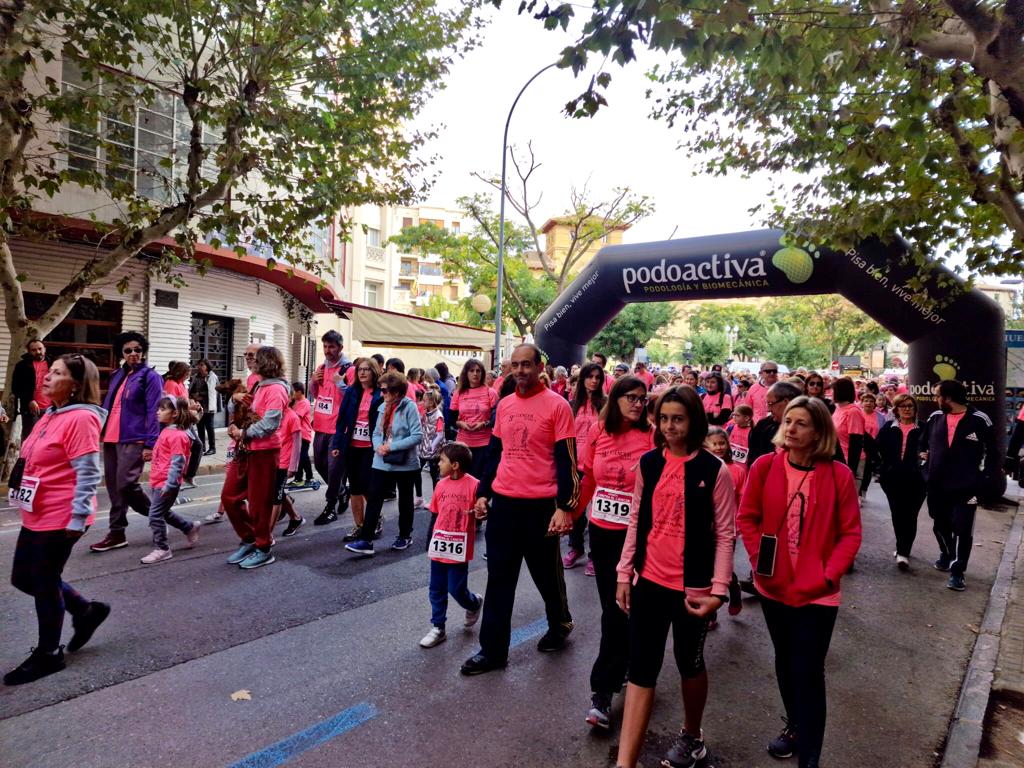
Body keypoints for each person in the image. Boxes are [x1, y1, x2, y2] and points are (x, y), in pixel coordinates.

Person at [613, 386, 736, 768]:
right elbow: (636, 520)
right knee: (641, 669)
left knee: (690, 663)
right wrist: (624, 572)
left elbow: (725, 534)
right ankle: (624, 763)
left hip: (693, 590)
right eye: (663, 418)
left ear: (694, 420)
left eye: (678, 419)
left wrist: (719, 591)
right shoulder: (649, 464)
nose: (669, 426)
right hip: (648, 582)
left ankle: (692, 734)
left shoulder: (715, 470)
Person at [737, 396, 861, 768]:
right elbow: (748, 518)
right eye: (787, 421)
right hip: (773, 587)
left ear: (819, 431)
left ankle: (810, 753)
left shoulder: (839, 475)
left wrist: (827, 574)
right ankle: (794, 723)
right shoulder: (763, 466)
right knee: (785, 660)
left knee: (809, 668)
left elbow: (850, 534)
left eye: (801, 423)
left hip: (818, 594)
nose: (790, 428)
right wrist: (760, 561)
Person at [461, 343, 579, 676]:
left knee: (547, 577)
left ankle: (560, 624)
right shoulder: (505, 405)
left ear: (540, 366)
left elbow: (567, 462)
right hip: (506, 506)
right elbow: (494, 454)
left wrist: (565, 507)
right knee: (499, 579)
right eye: (515, 365)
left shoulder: (559, 406)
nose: (520, 371)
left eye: (526, 364)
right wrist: (483, 493)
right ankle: (493, 651)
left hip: (542, 507)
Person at [5, 354, 110, 685]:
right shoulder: (52, 413)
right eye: (49, 371)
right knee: (24, 578)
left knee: (44, 581)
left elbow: (89, 471)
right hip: (37, 511)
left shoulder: (80, 418)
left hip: (62, 515)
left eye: (57, 373)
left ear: (76, 385)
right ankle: (86, 610)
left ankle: (49, 654)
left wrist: (78, 517)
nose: (47, 377)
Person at [574, 374, 654, 730]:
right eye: (631, 398)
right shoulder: (596, 432)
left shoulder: (653, 436)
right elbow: (588, 478)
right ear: (617, 399)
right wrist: (569, 514)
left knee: (632, 609)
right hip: (604, 535)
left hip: (643, 537)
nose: (638, 404)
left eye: (642, 398)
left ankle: (617, 684)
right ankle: (611, 683)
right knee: (614, 608)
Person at [921, 379, 999, 591]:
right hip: (937, 485)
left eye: (937, 396)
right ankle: (946, 554)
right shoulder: (935, 417)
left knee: (963, 529)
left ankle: (958, 571)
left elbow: (993, 452)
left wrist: (984, 479)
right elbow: (923, 443)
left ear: (948, 398)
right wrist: (925, 465)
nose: (935, 400)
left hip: (967, 487)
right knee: (940, 523)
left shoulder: (980, 419)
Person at [90, 332, 164, 553]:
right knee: (114, 488)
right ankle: (117, 533)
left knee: (125, 484)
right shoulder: (116, 375)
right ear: (121, 353)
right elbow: (107, 405)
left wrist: (151, 442)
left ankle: (160, 516)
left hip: (135, 437)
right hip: (111, 437)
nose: (133, 354)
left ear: (143, 351)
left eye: (137, 350)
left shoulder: (150, 377)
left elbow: (155, 411)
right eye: (128, 350)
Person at [220, 346, 291, 570]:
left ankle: (263, 547)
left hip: (264, 451)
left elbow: (270, 423)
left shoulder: (276, 389)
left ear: (266, 362)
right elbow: (245, 408)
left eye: (255, 358)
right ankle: (251, 539)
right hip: (248, 448)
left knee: (259, 504)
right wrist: (234, 412)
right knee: (229, 497)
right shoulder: (260, 384)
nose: (250, 361)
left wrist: (244, 433)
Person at [344, 371, 422, 555]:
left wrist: (391, 447)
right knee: (374, 498)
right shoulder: (382, 406)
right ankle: (366, 540)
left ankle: (404, 535)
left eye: (385, 390)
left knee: (405, 501)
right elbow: (377, 432)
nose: (382, 393)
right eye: (381, 389)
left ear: (396, 391)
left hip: (405, 462)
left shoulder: (409, 407)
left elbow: (417, 436)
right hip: (381, 461)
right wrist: (378, 447)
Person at [419, 442, 485, 648]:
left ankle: (473, 603)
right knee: (436, 588)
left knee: (456, 589)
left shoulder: (474, 485)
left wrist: (479, 513)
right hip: (440, 544)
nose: (438, 464)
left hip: (459, 546)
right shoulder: (440, 484)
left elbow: (482, 512)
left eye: (442, 460)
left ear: (455, 465)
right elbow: (435, 514)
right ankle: (438, 627)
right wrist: (430, 541)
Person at [139, 396, 201, 565]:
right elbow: (166, 455)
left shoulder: (179, 436)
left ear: (174, 413)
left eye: (162, 409)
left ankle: (162, 548)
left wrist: (170, 484)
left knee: (155, 515)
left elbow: (178, 462)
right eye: (158, 408)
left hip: (167, 482)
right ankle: (189, 527)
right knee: (163, 512)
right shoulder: (167, 431)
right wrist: (153, 455)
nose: (158, 412)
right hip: (158, 479)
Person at [332, 357, 384, 542]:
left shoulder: (380, 394)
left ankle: (374, 520)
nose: (362, 372)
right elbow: (342, 420)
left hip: (371, 448)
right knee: (354, 487)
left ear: (374, 372)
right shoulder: (352, 392)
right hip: (352, 446)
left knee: (368, 487)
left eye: (366, 369)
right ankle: (359, 525)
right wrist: (337, 443)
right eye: (360, 369)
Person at [566, 362, 607, 572]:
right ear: (582, 379)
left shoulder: (605, 404)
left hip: (598, 464)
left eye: (597, 377)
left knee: (596, 511)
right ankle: (576, 548)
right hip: (575, 463)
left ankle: (594, 554)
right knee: (576, 507)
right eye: (590, 376)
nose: (594, 380)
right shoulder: (573, 403)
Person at [877, 393, 926, 570]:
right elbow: (878, 448)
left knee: (911, 515)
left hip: (916, 480)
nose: (906, 409)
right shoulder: (889, 427)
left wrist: (926, 458)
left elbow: (933, 449)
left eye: (910, 406)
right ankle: (902, 548)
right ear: (896, 409)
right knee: (898, 514)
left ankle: (903, 552)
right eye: (902, 406)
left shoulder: (923, 428)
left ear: (915, 409)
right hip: (893, 479)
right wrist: (882, 469)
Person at [309, 330, 352, 526]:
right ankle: (343, 491)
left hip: (338, 429)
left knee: (334, 469)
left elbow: (353, 398)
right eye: (325, 346)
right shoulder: (320, 367)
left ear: (340, 347)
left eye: (331, 347)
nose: (327, 350)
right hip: (320, 426)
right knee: (319, 465)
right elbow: (317, 395)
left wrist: (341, 384)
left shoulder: (348, 369)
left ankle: (330, 506)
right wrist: (313, 381)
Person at [450, 358, 499, 480]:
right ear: (466, 373)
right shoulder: (458, 393)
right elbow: (451, 419)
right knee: (463, 480)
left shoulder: (491, 393)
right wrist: (461, 424)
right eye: (472, 370)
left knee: (479, 481)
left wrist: (484, 424)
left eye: (478, 371)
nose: (475, 374)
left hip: (484, 444)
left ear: (483, 373)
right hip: (463, 445)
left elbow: (497, 419)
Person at [746, 381, 802, 469]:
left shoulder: (807, 429)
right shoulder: (763, 426)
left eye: (770, 404)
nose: (768, 409)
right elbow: (752, 459)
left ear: (786, 402)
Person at [272, 395, 305, 537]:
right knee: (277, 492)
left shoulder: (292, 417)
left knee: (276, 496)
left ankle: (267, 534)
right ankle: (296, 518)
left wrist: (293, 467)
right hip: (272, 461)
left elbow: (297, 444)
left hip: (284, 463)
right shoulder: (274, 414)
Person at [11, 338, 50, 438]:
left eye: (40, 349)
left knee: (49, 439)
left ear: (44, 349)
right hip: (31, 409)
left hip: (51, 408)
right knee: (30, 439)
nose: (38, 352)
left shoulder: (53, 363)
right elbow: (15, 388)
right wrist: (29, 400)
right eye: (34, 350)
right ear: (29, 351)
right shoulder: (22, 366)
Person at [830, 377, 864, 477]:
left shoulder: (853, 411)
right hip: (837, 459)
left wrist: (851, 470)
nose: (831, 393)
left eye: (834, 390)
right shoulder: (838, 408)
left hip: (848, 462)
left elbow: (856, 442)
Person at [418, 388, 446, 496]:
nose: (422, 402)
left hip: (433, 451)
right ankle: (419, 496)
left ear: (431, 402)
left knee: (434, 475)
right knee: (416, 472)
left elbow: (439, 435)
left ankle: (436, 498)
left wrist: (432, 447)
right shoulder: (426, 413)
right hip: (424, 448)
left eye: (424, 401)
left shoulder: (438, 415)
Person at [189, 359, 219, 456]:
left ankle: (212, 448)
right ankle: (202, 447)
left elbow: (213, 391)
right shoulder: (195, 377)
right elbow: (191, 390)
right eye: (198, 365)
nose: (199, 367)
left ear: (207, 366)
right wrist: (194, 396)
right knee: (200, 427)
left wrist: (200, 394)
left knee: (209, 427)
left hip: (208, 406)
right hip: (198, 406)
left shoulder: (212, 377)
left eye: (202, 365)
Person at [288, 382, 314, 485]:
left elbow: (296, 417)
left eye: (293, 392)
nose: (291, 394)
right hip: (296, 434)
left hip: (304, 434)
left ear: (299, 392)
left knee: (302, 457)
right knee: (298, 456)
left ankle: (309, 477)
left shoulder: (304, 403)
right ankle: (299, 478)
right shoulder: (295, 402)